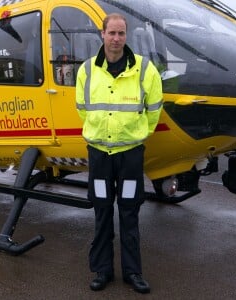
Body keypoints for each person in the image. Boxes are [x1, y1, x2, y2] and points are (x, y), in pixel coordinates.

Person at [75, 13, 162, 294]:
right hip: (99, 155)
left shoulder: (145, 69)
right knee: (101, 212)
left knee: (129, 212)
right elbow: (82, 110)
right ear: (102, 34)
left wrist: (137, 135)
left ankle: (133, 272)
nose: (116, 39)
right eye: (111, 33)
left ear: (127, 36)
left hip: (130, 156)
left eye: (121, 34)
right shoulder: (86, 70)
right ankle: (102, 270)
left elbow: (154, 110)